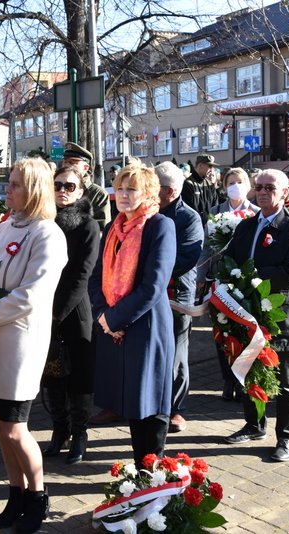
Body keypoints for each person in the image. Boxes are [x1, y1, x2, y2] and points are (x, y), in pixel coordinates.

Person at [0, 158, 67, 534]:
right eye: (10, 182)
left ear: (34, 191)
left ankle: (38, 496)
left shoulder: (48, 234)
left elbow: (30, 296)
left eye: (17, 184)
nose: (8, 188)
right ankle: (15, 495)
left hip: (20, 342)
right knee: (1, 425)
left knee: (16, 428)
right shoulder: (5, 226)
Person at [88, 162, 177, 470]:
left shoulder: (160, 226)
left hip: (146, 326)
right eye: (120, 188)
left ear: (149, 193)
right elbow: (96, 277)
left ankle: (152, 474)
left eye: (131, 189)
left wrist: (114, 319)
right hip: (113, 324)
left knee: (149, 402)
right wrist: (103, 315)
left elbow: (153, 286)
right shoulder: (113, 228)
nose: (123, 195)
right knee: (131, 402)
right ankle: (142, 471)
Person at [224, 169, 289, 463]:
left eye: (270, 188)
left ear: (285, 193)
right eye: (259, 187)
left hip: (279, 314)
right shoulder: (246, 226)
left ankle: (287, 436)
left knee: (285, 380)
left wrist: (247, 276)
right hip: (245, 313)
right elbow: (230, 260)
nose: (263, 192)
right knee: (248, 370)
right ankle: (254, 425)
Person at [41, 166, 100, 464]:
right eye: (58, 185)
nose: (63, 190)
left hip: (74, 312)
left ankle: (79, 434)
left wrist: (57, 314)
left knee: (78, 377)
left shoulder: (88, 226)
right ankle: (59, 430)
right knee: (51, 375)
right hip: (42, 308)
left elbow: (82, 276)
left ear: (81, 192)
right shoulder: (42, 221)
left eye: (70, 186)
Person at [203, 167, 261, 401]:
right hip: (220, 278)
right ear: (224, 186)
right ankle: (228, 379)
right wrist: (201, 276)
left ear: (248, 185)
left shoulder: (256, 212)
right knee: (222, 328)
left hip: (246, 280)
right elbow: (206, 246)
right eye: (230, 183)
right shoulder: (215, 211)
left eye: (239, 182)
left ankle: (242, 378)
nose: (235, 187)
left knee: (244, 329)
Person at [154, 162, 203, 433]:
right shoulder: (144, 211)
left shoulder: (188, 218)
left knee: (176, 352)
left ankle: (176, 408)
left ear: (169, 191)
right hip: (142, 291)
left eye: (153, 185)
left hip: (176, 293)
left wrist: (147, 272)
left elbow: (185, 259)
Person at [62, 142, 111, 230]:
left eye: (72, 162)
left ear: (85, 168)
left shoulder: (98, 194)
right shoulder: (55, 189)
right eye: (65, 161)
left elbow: (102, 229)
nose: (66, 165)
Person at [181, 154, 220, 225]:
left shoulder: (210, 184)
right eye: (209, 166)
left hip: (210, 225)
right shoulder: (188, 184)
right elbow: (189, 208)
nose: (211, 170)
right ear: (200, 165)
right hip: (195, 225)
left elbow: (215, 206)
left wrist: (213, 222)